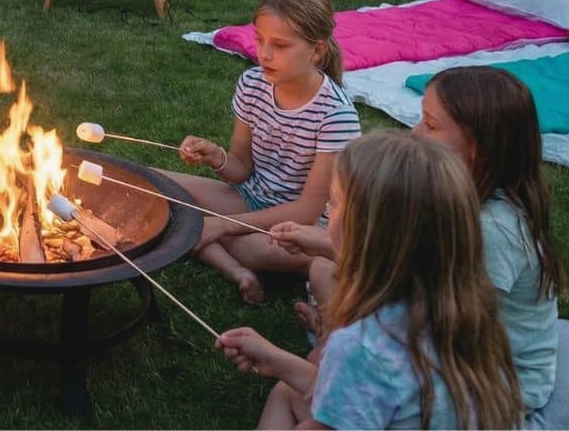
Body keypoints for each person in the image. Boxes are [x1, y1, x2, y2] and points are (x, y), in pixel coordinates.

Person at [277, 67, 566, 424]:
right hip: (448, 343)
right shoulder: (458, 201)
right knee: (323, 269)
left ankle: (326, 341)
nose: (414, 132)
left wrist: (339, 340)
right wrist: (323, 245)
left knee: (298, 382)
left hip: (491, 377)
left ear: (476, 148)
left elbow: (423, 304)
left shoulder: (493, 233)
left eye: (429, 124)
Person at [218, 134, 522, 430]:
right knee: (290, 389)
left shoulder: (361, 346)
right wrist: (277, 360)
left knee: (288, 397)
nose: (326, 212)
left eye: (334, 204)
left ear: (366, 233)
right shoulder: (467, 311)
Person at [171, 0, 360, 303]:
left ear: (317, 50)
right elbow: (241, 169)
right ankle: (238, 271)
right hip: (250, 199)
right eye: (260, 40)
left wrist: (224, 226)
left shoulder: (336, 116)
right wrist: (216, 156)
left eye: (280, 45)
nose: (264, 54)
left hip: (297, 227)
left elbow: (307, 209)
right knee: (152, 186)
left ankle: (299, 262)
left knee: (193, 225)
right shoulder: (251, 84)